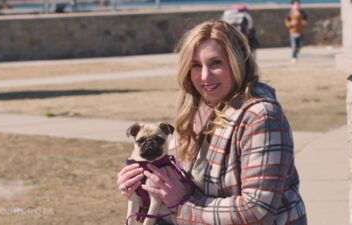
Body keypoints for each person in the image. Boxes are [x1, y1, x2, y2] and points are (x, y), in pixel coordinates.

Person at [117, 20, 307, 225]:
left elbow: (257, 211)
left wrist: (181, 205)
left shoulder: (261, 117)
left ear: (238, 62)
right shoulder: (196, 111)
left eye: (216, 63)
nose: (205, 76)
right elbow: (178, 186)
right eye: (196, 65)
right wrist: (141, 189)